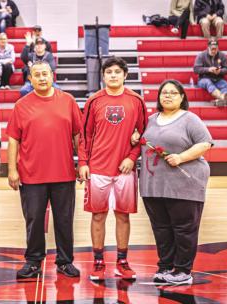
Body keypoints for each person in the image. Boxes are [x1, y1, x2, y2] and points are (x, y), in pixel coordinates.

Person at [6, 61, 82, 279]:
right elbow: (13, 139)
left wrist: (83, 162)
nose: (41, 78)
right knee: (34, 219)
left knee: (64, 220)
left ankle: (65, 261)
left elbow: (78, 134)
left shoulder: (67, 101)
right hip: (31, 174)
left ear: (52, 75)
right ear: (30, 79)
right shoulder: (22, 105)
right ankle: (33, 261)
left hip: (64, 173)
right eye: (36, 75)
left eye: (45, 74)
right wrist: (12, 169)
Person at [78, 57, 147, 282]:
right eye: (109, 72)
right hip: (97, 168)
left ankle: (122, 261)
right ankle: (98, 262)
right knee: (98, 216)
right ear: (104, 76)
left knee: (123, 216)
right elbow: (85, 135)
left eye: (118, 71)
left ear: (125, 75)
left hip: (124, 170)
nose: (114, 75)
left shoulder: (136, 101)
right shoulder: (94, 101)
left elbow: (144, 136)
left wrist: (132, 157)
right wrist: (83, 163)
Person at [138, 79, 213, 285]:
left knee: (184, 229)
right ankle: (165, 266)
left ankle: (183, 271)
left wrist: (181, 157)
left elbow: (205, 143)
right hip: (153, 186)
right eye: (164, 93)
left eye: (173, 93)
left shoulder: (190, 119)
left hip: (184, 185)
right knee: (161, 228)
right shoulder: (150, 119)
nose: (168, 96)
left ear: (182, 97)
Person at [193, 38, 227, 106]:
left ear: (218, 48)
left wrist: (220, 71)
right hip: (204, 78)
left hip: (218, 78)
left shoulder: (222, 56)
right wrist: (208, 69)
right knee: (208, 83)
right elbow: (196, 69)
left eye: (215, 49)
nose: (213, 51)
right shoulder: (201, 55)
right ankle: (223, 98)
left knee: (225, 85)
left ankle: (220, 101)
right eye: (212, 49)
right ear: (208, 48)